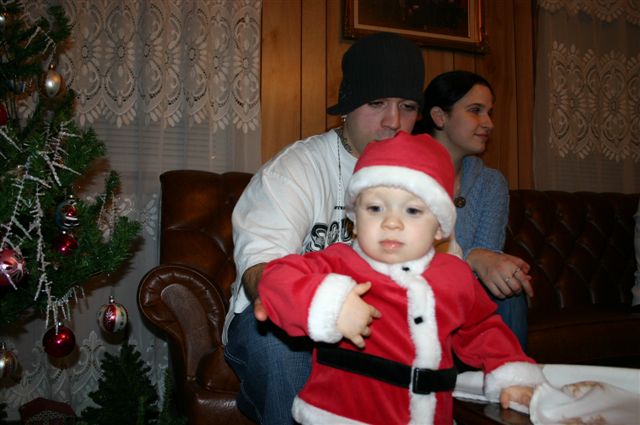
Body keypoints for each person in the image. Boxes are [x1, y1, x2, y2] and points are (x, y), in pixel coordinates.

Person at [258, 132, 545, 424]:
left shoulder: (456, 275)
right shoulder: (338, 263)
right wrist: (329, 303)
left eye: (412, 210)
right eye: (375, 208)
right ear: (355, 217)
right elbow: (276, 276)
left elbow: (483, 329)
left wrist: (511, 375)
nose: (391, 222)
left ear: (440, 227)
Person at [223, 32, 426, 424]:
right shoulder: (295, 170)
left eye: (407, 106)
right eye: (376, 103)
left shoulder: (418, 180)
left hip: (373, 325)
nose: (394, 122)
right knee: (282, 341)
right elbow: (260, 273)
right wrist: (319, 301)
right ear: (347, 107)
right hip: (273, 324)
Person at [413, 70, 533, 349]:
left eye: (490, 112)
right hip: (411, 291)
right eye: (476, 110)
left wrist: (491, 265)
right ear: (440, 117)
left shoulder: (490, 183)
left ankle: (511, 373)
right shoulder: (405, 174)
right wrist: (471, 257)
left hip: (464, 297)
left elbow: (487, 258)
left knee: (509, 290)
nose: (489, 123)